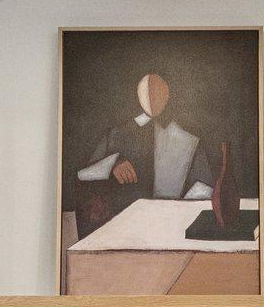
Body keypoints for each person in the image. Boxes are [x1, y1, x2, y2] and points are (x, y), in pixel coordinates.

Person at [73, 73, 215, 229]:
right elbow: (83, 175)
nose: (151, 97)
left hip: (172, 225)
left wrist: (180, 215)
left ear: (167, 95)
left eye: (156, 92)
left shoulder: (189, 140)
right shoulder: (115, 134)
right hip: (123, 227)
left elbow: (205, 185)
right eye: (145, 92)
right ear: (138, 95)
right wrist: (112, 164)